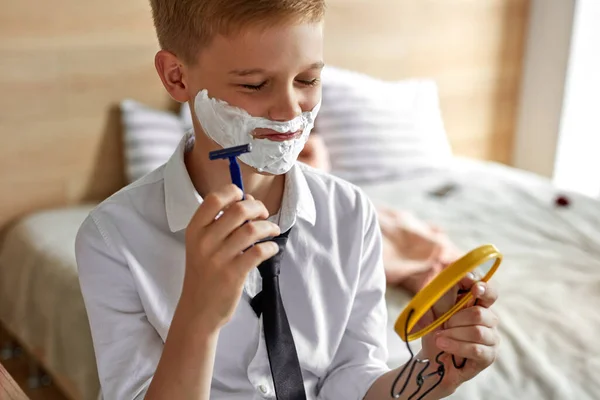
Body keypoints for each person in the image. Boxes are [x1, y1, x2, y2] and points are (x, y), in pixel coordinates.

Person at [74, 1, 500, 399]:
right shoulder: (113, 238)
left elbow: (351, 376)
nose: (289, 109)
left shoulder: (351, 213)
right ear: (177, 77)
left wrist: (429, 374)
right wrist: (198, 321)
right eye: (255, 84)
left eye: (308, 80)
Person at [298, 134, 462, 294]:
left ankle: (426, 263)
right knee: (348, 236)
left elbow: (320, 174)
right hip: (313, 203)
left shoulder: (308, 142)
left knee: (382, 224)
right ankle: (417, 271)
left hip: (332, 194)